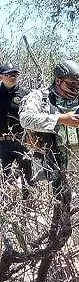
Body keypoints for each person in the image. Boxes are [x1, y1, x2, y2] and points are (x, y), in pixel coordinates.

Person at [20, 60, 79, 203]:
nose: (76, 89)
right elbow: (26, 119)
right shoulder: (40, 97)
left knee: (78, 213)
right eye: (72, 85)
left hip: (77, 170)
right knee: (49, 212)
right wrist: (60, 119)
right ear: (58, 80)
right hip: (46, 167)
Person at [0, 63, 33, 198]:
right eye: (9, 74)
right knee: (3, 176)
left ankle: (29, 208)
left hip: (22, 141)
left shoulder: (26, 94)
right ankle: (4, 210)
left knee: (27, 175)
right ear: (1, 76)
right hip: (2, 143)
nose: (13, 76)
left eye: (15, 74)